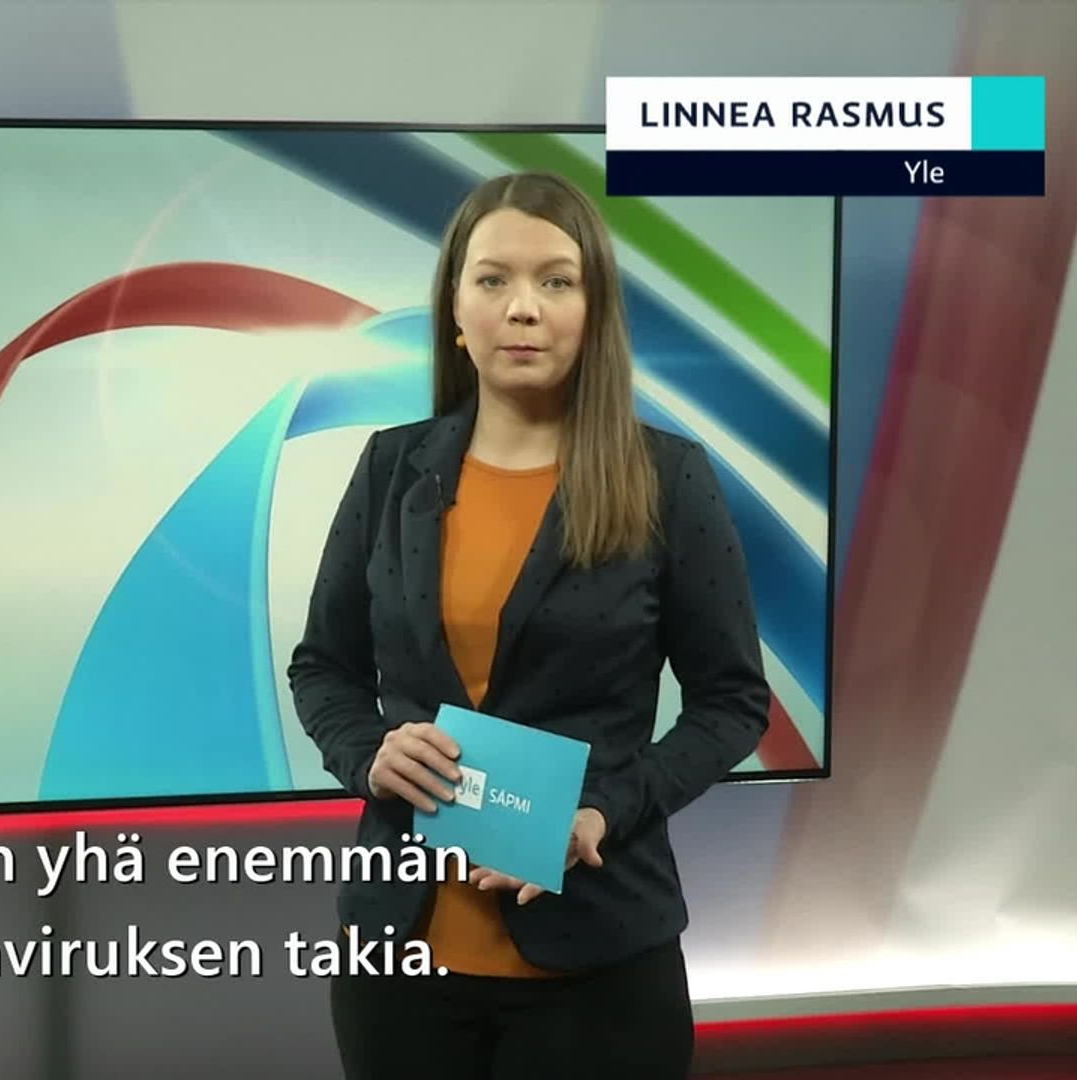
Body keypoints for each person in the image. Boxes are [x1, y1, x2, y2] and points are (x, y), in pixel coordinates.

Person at [286, 171, 770, 1079]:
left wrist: (602, 811)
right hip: (398, 963)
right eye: (493, 279)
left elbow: (732, 702)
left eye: (556, 281)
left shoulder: (668, 478)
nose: (523, 308)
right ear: (455, 310)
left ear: (595, 311)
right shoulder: (390, 469)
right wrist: (367, 753)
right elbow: (323, 669)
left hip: (600, 966)